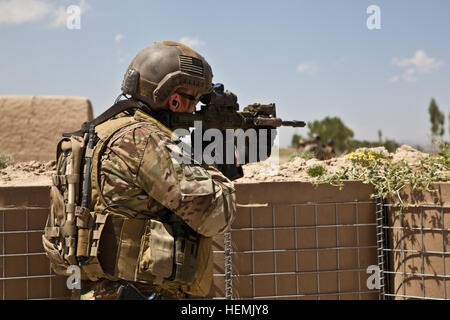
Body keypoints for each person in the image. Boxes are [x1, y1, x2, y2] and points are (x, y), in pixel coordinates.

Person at [74, 41, 237, 299]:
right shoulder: (145, 140)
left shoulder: (98, 133)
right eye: (193, 100)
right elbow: (217, 215)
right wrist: (208, 162)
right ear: (173, 100)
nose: (194, 110)